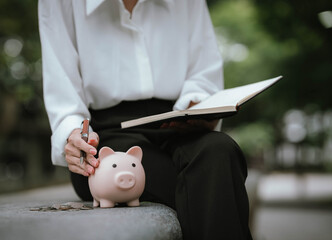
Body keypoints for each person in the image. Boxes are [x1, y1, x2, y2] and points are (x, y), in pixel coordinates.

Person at [38, 0, 253, 239]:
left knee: (220, 150)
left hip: (178, 121)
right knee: (210, 183)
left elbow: (204, 73)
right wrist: (74, 133)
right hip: (107, 135)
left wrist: (199, 108)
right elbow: (62, 88)